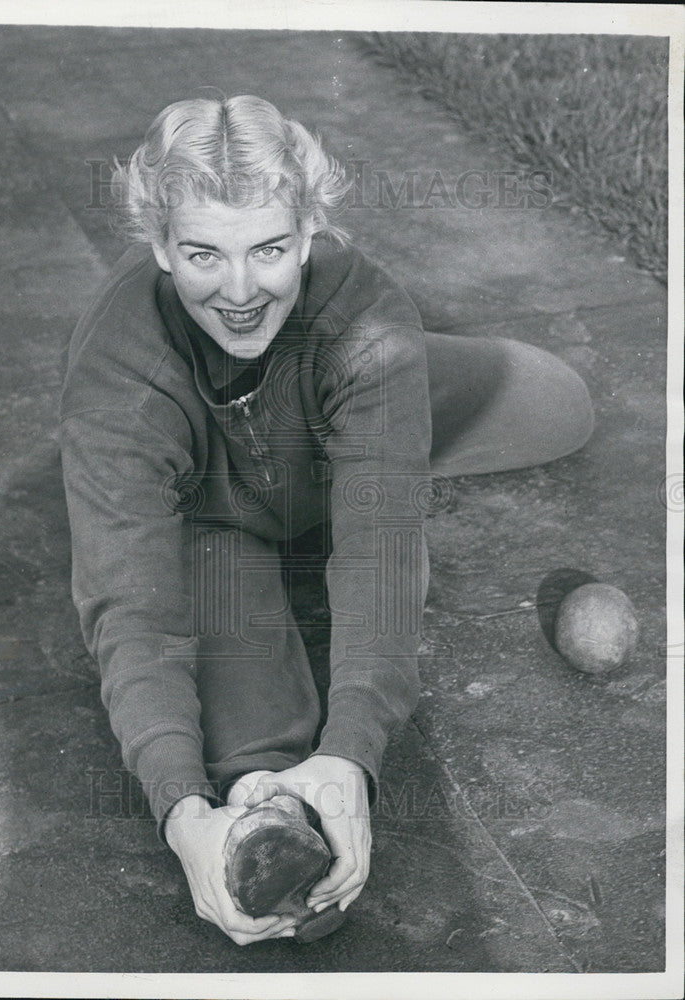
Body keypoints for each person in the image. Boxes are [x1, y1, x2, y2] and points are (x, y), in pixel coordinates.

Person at [60, 95, 593, 946]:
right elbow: (133, 614)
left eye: (268, 250)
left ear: (309, 235)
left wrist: (356, 747)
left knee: (562, 407)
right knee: (264, 789)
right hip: (212, 513)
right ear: (159, 247)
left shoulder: (363, 316)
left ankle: (383, 426)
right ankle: (266, 796)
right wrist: (181, 812)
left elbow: (379, 557)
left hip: (336, 396)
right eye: (203, 254)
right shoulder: (116, 379)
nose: (238, 292)